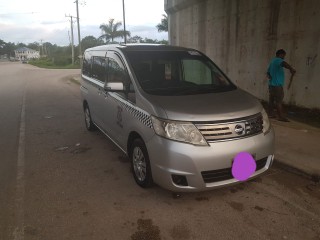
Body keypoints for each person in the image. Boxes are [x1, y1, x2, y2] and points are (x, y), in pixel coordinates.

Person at [267, 49, 296, 122]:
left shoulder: (272, 62)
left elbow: (268, 73)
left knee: (271, 100)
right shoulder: (278, 60)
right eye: (283, 55)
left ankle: (270, 114)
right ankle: (281, 117)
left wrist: (271, 77)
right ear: (280, 54)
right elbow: (284, 63)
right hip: (277, 86)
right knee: (279, 101)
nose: (284, 57)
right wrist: (291, 69)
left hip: (271, 85)